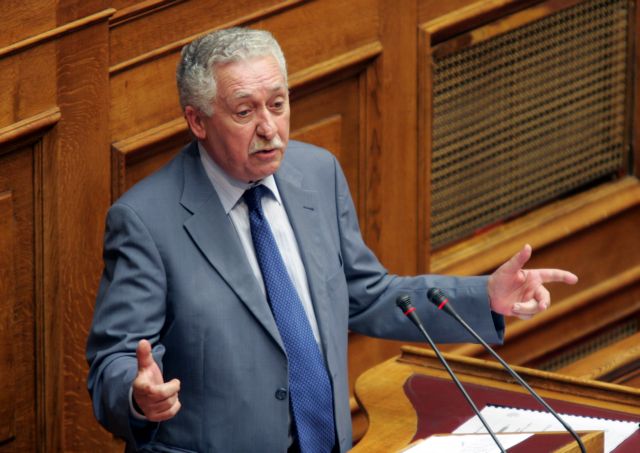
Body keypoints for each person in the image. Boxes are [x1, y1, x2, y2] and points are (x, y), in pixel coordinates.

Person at [86, 27, 578, 453]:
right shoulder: (146, 221)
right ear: (198, 121)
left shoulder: (317, 173)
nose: (269, 128)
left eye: (278, 105)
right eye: (244, 112)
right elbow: (114, 361)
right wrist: (137, 395)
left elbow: (366, 293)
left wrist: (484, 297)